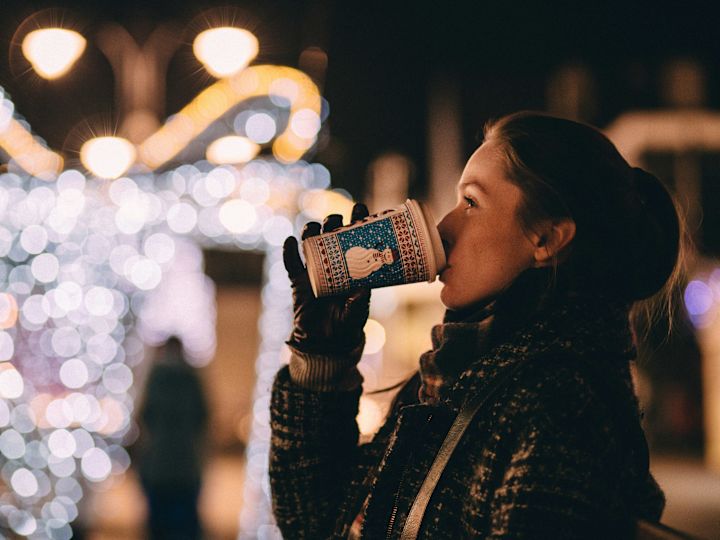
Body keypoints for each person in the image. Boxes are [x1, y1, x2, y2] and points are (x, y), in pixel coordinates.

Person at [270, 112, 683, 538]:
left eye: (471, 202)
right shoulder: (454, 378)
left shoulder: (558, 404)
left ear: (547, 238)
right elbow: (315, 522)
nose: (444, 227)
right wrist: (322, 357)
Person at [135, 336, 209, 540]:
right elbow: (203, 417)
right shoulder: (190, 378)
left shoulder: (157, 378)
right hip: (184, 465)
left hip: (162, 466)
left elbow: (144, 416)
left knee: (160, 524)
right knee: (183, 524)